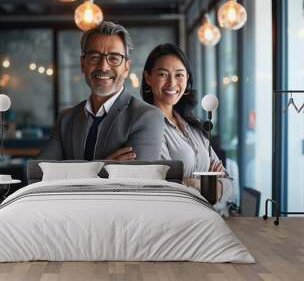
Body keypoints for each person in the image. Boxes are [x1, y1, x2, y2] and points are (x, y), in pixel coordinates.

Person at [38, 21, 164, 161]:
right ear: (82, 64)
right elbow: (39, 173)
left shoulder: (147, 117)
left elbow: (138, 180)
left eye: (114, 58)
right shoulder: (66, 119)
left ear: (126, 67)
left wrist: (71, 172)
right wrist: (103, 168)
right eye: (95, 57)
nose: (103, 67)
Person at [140, 43, 233, 213]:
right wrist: (210, 184)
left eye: (179, 75)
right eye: (162, 74)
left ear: (187, 79)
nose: (172, 83)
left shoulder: (193, 126)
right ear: (148, 77)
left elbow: (230, 183)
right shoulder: (147, 127)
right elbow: (167, 189)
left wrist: (194, 183)